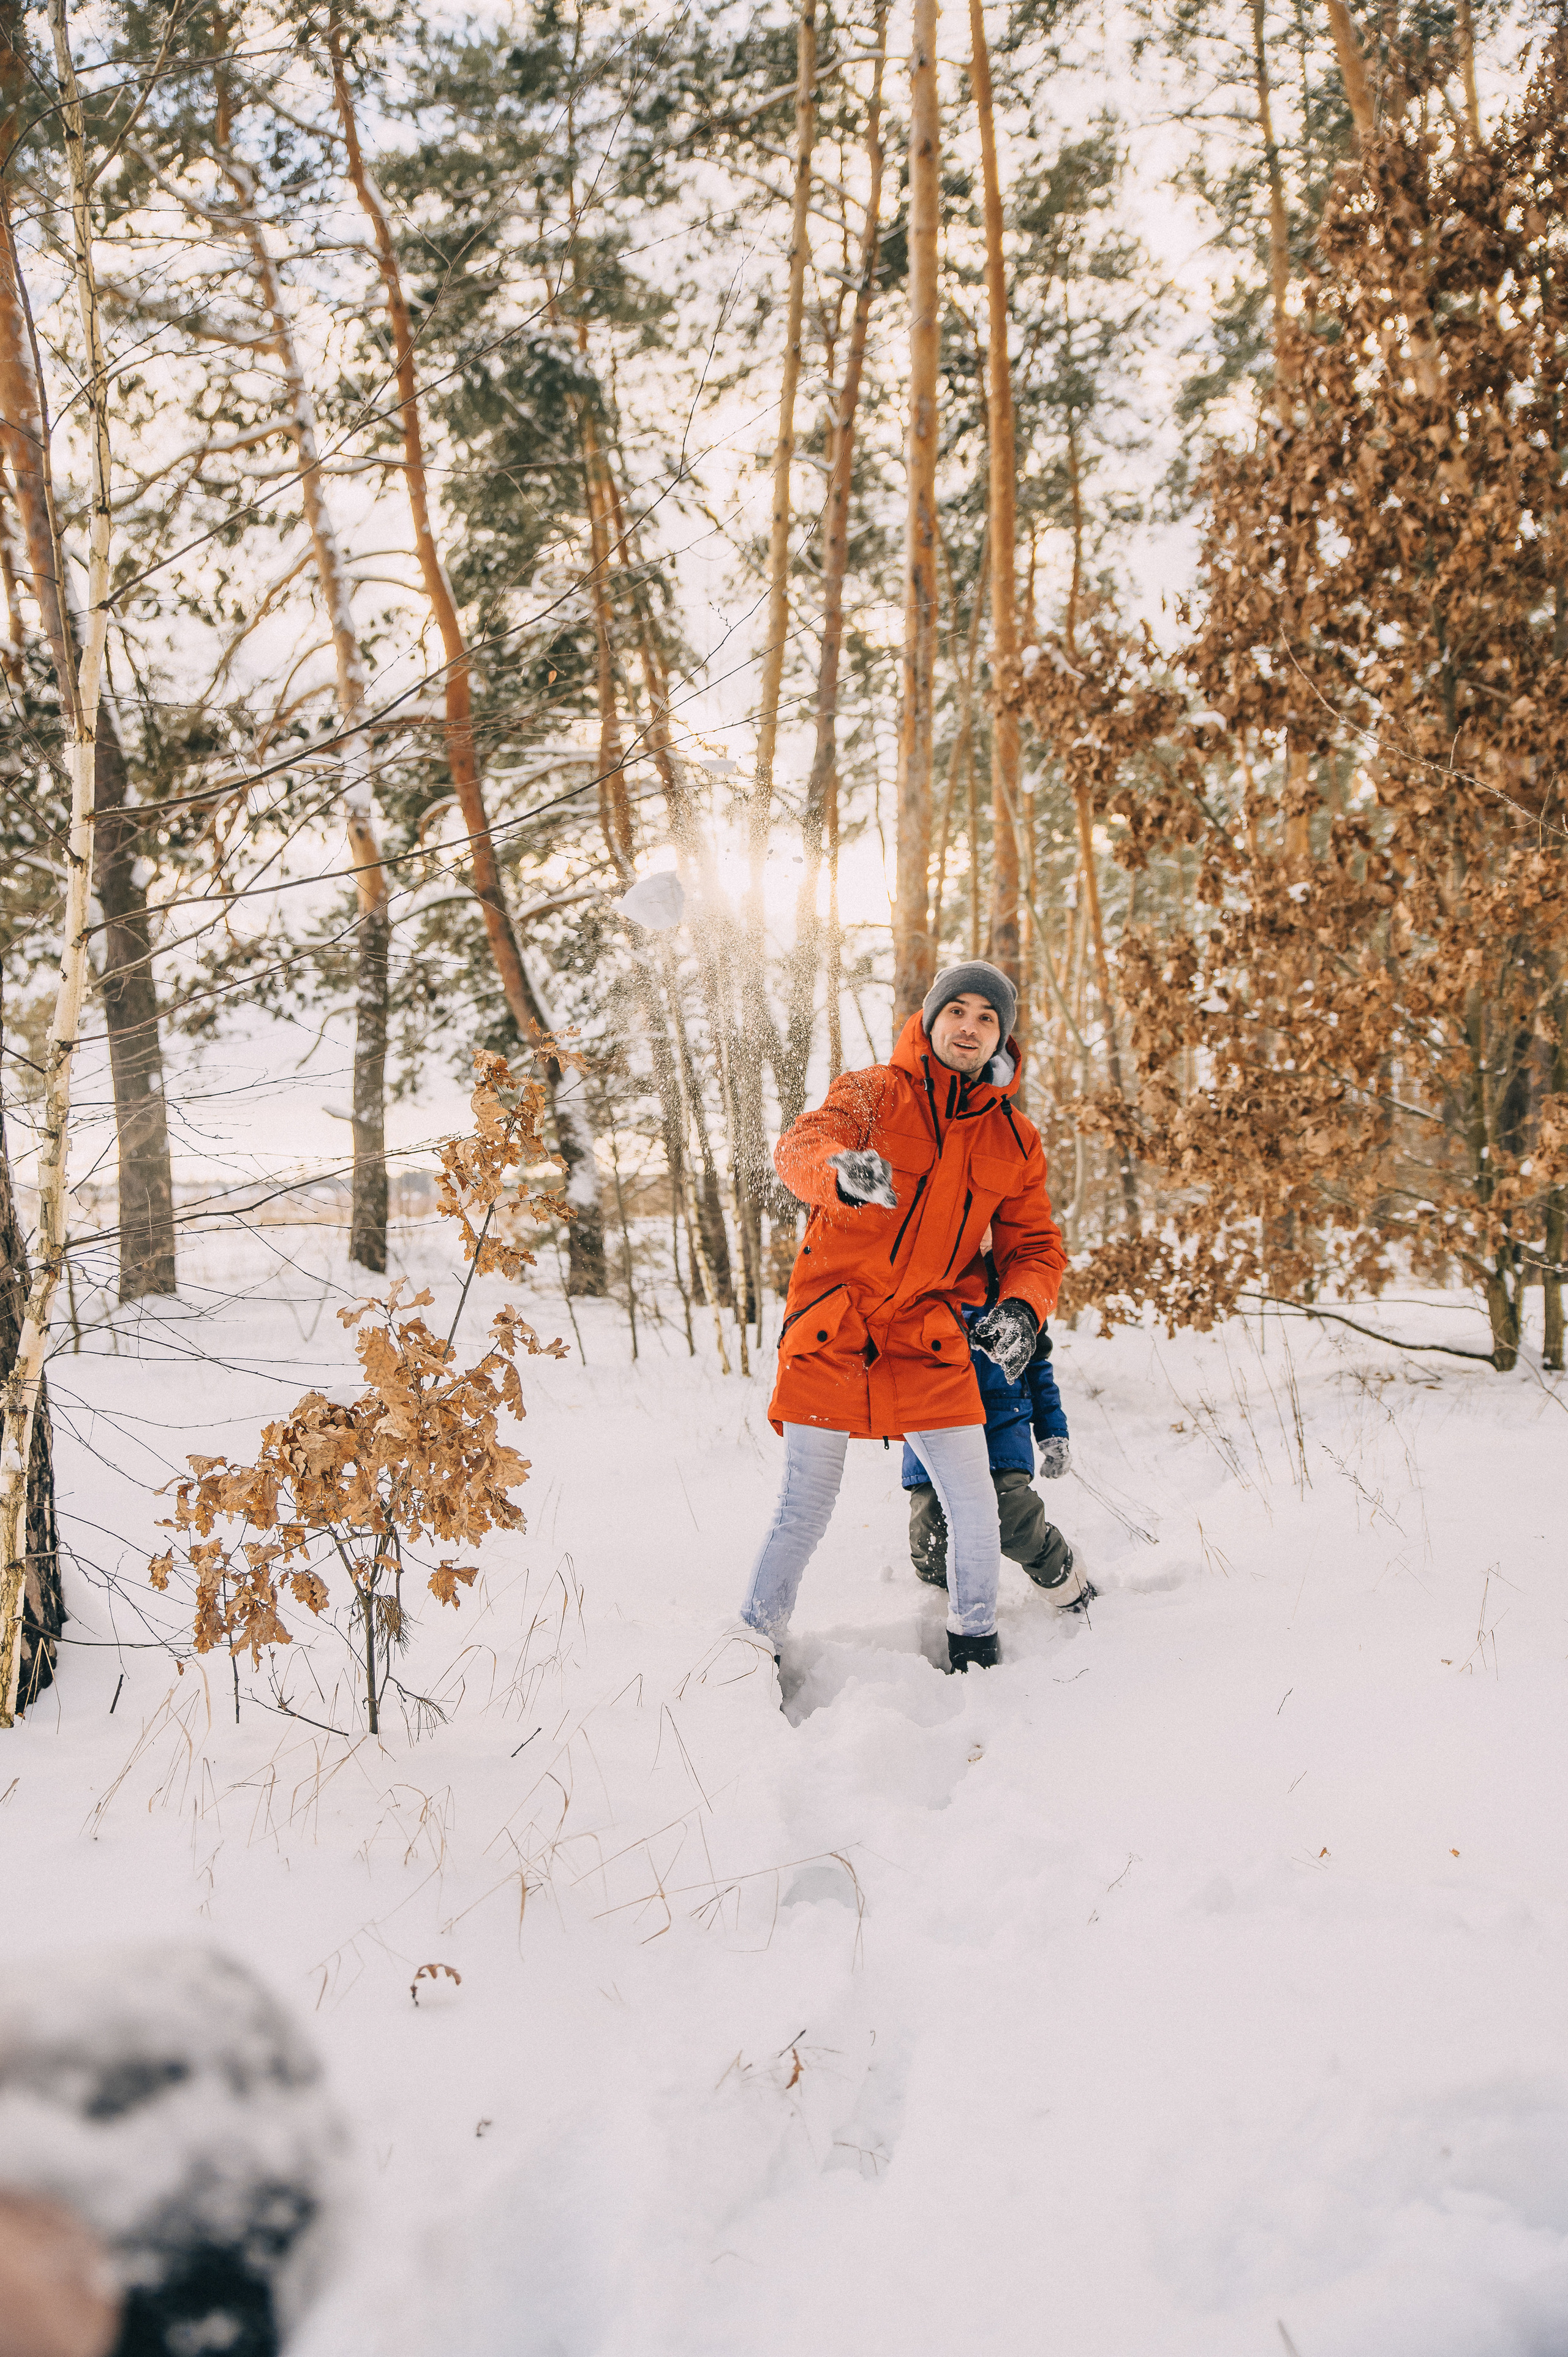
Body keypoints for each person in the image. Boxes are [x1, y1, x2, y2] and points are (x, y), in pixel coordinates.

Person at [739, 960, 1068, 1673]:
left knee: (974, 1498)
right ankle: (753, 1638)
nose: (970, 1028)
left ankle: (975, 1640)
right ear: (931, 1017)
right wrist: (840, 1171)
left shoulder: (1015, 1140)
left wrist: (1020, 1305)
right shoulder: (872, 1094)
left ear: (1001, 1038)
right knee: (806, 1503)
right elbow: (799, 1147)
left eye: (987, 1018)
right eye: (959, 1011)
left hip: (927, 1335)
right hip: (834, 1327)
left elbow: (1035, 1247)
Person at [903, 1245, 1095, 1611]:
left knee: (1013, 1518)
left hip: (1002, 1423)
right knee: (929, 1527)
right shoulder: (922, 1274)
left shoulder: (1017, 1287)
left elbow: (1038, 1370)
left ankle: (1069, 1586)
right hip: (933, 1418)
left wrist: (1052, 1431)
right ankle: (939, 1606)